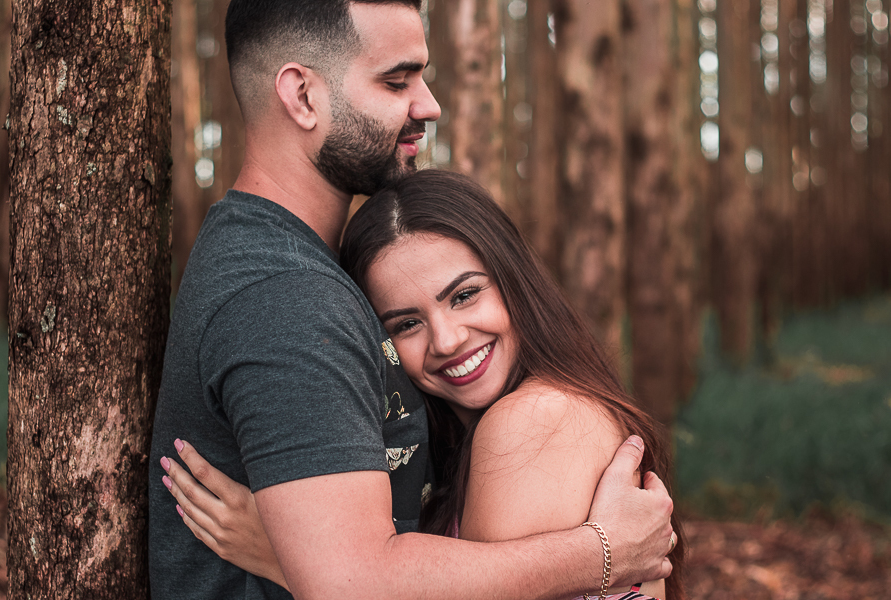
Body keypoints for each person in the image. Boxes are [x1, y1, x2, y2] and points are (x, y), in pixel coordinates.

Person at [149, 0, 676, 598]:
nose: (428, 105)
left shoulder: (276, 264)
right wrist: (603, 550)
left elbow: (347, 576)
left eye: (465, 294)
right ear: (301, 97)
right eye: (396, 80)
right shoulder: (289, 297)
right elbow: (352, 583)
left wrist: (292, 558)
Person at [160, 170, 685, 600]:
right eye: (406, 324)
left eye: (464, 295)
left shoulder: (534, 421)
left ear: (512, 278)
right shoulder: (494, 428)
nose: (448, 339)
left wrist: (289, 561)